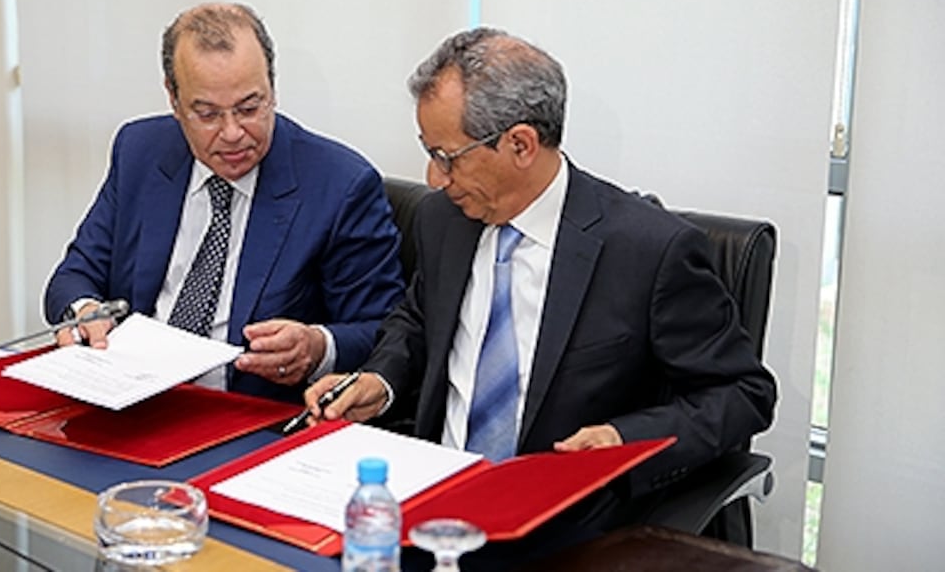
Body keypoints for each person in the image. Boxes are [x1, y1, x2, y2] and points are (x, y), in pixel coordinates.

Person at [305, 28, 777, 551]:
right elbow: (418, 319)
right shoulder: (444, 220)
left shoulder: (648, 251)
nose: (434, 178)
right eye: (429, 152)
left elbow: (744, 394)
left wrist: (624, 438)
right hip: (433, 508)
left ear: (521, 144)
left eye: (448, 156)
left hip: (566, 530)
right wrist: (381, 378)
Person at [44, 2, 405, 403]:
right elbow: (74, 275)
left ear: (273, 87)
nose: (233, 133)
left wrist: (317, 345)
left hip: (245, 419)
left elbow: (383, 331)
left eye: (250, 108)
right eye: (208, 114)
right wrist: (85, 311)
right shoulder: (140, 151)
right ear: (174, 99)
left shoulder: (340, 186)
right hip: (127, 402)